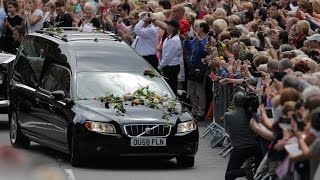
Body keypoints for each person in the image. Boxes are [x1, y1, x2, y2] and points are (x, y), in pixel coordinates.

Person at [224, 92, 261, 180]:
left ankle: (245, 171)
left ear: (234, 102)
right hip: (253, 146)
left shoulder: (228, 115)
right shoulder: (251, 115)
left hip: (239, 148)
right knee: (258, 169)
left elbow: (227, 130)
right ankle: (252, 171)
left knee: (229, 175)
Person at [184, 21, 209, 121]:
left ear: (202, 28)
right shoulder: (194, 39)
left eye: (197, 27)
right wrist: (186, 39)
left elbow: (204, 52)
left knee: (200, 91)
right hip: (192, 68)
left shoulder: (207, 40)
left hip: (200, 68)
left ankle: (201, 111)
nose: (195, 29)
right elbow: (189, 48)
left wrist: (199, 40)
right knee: (191, 91)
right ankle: (194, 109)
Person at [158, 19, 182, 95]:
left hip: (171, 67)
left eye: (169, 26)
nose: (167, 27)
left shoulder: (174, 40)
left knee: (171, 87)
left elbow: (168, 56)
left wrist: (160, 66)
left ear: (173, 27)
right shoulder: (170, 37)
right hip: (168, 66)